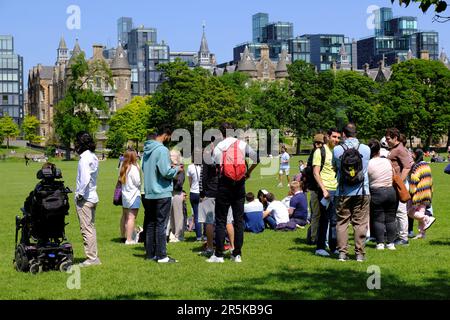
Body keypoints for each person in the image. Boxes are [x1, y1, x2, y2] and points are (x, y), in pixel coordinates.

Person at [207, 123, 260, 263]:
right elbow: (257, 158)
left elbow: (214, 167)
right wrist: (248, 172)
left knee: (220, 220)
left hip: (224, 184)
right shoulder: (241, 144)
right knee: (238, 220)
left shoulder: (219, 146)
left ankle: (218, 254)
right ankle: (237, 253)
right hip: (240, 184)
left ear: (221, 133)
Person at [142, 125, 182, 264]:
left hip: (149, 191)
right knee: (161, 224)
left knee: (151, 223)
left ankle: (150, 253)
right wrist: (176, 169)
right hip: (161, 191)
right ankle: (162, 256)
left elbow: (144, 167)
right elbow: (165, 172)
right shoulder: (162, 149)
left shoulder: (146, 150)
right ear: (165, 135)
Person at [333, 123, 371, 262]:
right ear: (356, 133)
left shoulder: (337, 150)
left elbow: (334, 167)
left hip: (342, 191)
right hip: (362, 191)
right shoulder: (365, 149)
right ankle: (359, 254)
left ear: (343, 134)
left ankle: (342, 253)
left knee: (342, 223)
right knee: (360, 223)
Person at [198, 141, 235, 257]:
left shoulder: (207, 158)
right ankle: (233, 246)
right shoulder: (225, 156)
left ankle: (210, 247)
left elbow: (203, 177)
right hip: (224, 190)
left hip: (210, 191)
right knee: (228, 221)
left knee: (209, 222)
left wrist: (202, 192)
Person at [74, 131, 101, 267]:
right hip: (92, 195)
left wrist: (79, 194)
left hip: (85, 198)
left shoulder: (84, 158)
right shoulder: (93, 156)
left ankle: (91, 258)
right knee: (91, 227)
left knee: (86, 229)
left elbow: (84, 178)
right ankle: (93, 256)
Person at [313, 128, 340, 257]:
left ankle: (334, 247)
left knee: (334, 219)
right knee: (324, 219)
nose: (336, 140)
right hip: (325, 190)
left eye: (338, 137)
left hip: (336, 189)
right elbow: (315, 172)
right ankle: (320, 247)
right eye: (334, 137)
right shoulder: (320, 151)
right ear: (327, 137)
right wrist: (324, 189)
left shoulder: (336, 151)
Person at [367, 139, 398, 251]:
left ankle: (380, 243)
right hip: (391, 191)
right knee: (391, 218)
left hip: (376, 192)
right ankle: (391, 243)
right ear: (379, 150)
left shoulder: (368, 163)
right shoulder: (387, 161)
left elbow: (367, 179)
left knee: (378, 219)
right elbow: (394, 174)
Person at [385, 128, 413, 246]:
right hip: (394, 184)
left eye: (388, 139)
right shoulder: (394, 149)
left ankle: (403, 238)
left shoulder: (400, 149)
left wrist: (399, 182)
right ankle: (396, 235)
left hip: (399, 185)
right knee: (395, 211)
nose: (387, 141)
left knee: (401, 211)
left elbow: (407, 167)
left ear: (395, 138)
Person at [408, 149, 436, 239]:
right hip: (427, 193)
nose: (411, 155)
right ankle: (422, 234)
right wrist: (431, 192)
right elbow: (430, 180)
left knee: (409, 212)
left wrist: (411, 193)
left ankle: (426, 218)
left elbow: (414, 180)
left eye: (413, 153)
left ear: (416, 155)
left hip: (419, 193)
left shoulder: (416, 167)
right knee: (420, 211)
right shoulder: (427, 165)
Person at [304, 134, 326, 245]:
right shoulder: (315, 154)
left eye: (320, 143)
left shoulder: (321, 153)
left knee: (320, 214)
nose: (318, 145)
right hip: (316, 188)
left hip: (321, 187)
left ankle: (318, 237)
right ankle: (314, 237)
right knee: (317, 214)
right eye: (317, 143)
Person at [119, 149, 141, 245]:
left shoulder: (123, 166)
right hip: (133, 195)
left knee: (124, 216)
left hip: (125, 195)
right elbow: (138, 182)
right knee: (131, 217)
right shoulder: (133, 168)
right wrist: (138, 169)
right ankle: (129, 239)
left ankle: (123, 236)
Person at [167, 149, 185, 243]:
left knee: (178, 215)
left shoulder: (180, 167)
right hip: (169, 192)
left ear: (177, 157)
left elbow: (180, 182)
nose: (170, 157)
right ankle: (171, 233)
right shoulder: (168, 167)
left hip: (177, 193)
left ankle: (179, 234)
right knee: (170, 215)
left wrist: (173, 175)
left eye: (172, 155)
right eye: (170, 155)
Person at [187, 155, 203, 241]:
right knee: (204, 216)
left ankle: (198, 236)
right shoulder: (204, 166)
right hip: (202, 193)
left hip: (193, 192)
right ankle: (205, 235)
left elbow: (190, 181)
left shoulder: (190, 167)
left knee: (196, 216)